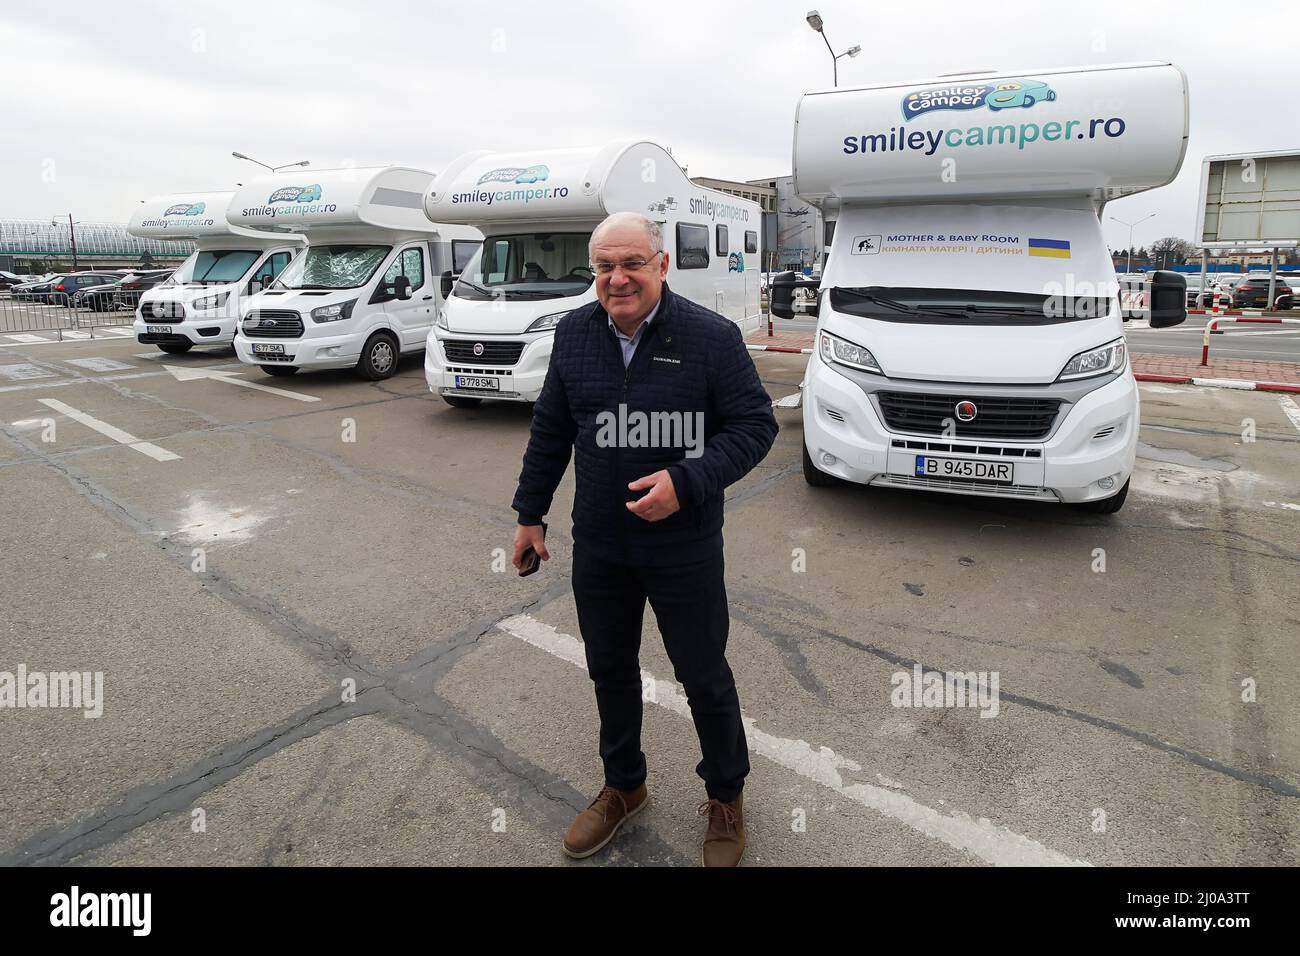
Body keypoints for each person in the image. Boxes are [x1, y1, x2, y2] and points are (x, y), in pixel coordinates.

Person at [510, 211, 778, 866]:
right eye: (604, 266)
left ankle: (725, 795)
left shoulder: (711, 337)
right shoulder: (574, 333)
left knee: (703, 673)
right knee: (609, 667)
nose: (618, 278)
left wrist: (687, 482)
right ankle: (624, 786)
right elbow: (551, 429)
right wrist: (529, 514)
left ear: (662, 265)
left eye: (632, 263)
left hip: (681, 546)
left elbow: (754, 426)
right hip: (600, 543)